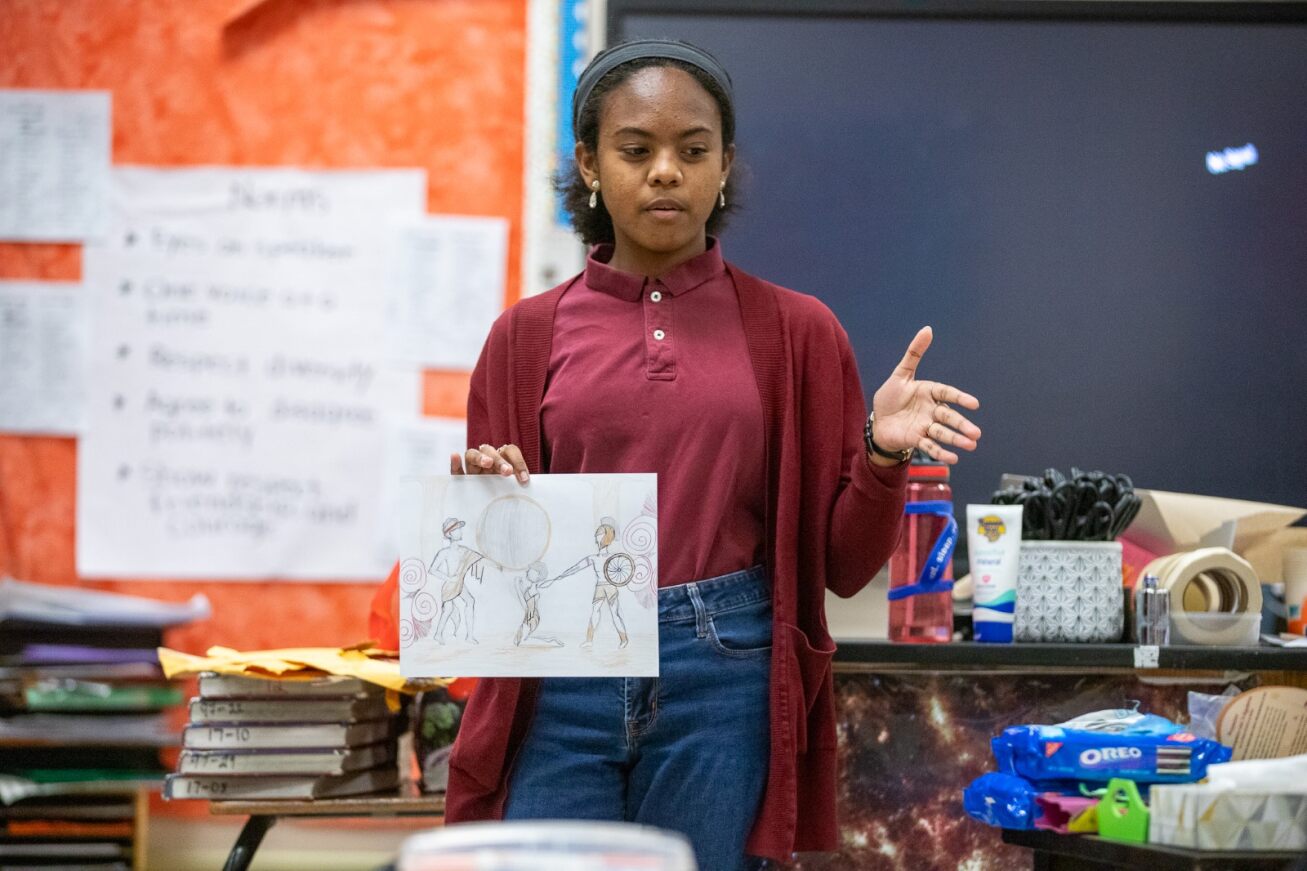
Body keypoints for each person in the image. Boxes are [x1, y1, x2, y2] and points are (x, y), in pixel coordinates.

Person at [374, 39, 982, 870]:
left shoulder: (797, 332)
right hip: (559, 674)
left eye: (692, 150)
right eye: (636, 149)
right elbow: (497, 563)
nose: (666, 170)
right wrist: (488, 498)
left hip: (725, 670)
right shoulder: (524, 336)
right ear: (589, 163)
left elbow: (842, 568)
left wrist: (880, 455)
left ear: (724, 164)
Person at [548, 518, 630, 648]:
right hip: (599, 587)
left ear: (607, 536)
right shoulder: (593, 558)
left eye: (600, 533)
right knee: (594, 612)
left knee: (615, 613)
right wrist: (560, 576)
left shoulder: (613, 557)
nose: (597, 536)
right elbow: (576, 567)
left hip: (610, 587)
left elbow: (624, 570)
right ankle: (589, 640)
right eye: (597, 533)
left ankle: (624, 639)